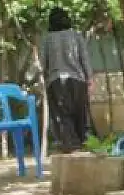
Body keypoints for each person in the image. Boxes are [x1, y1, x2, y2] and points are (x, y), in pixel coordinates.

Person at [41, 7, 93, 153]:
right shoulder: (76, 36)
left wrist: (42, 81)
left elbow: (42, 63)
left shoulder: (47, 39)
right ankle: (84, 144)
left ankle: (70, 147)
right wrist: (90, 79)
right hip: (78, 81)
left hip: (56, 82)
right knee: (80, 114)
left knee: (63, 116)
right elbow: (85, 59)